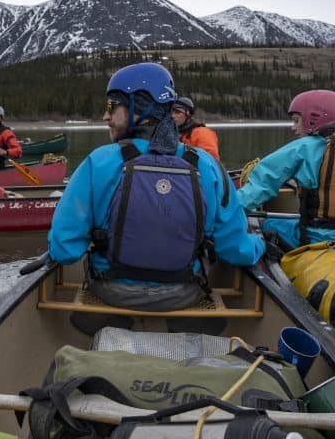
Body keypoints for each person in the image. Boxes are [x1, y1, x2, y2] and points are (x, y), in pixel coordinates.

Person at [48, 62, 265, 334]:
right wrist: (260, 244)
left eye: (111, 107)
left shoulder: (97, 162)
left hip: (110, 291)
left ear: (139, 107)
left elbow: (64, 251)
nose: (106, 117)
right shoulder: (207, 166)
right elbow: (235, 250)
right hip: (184, 293)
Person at [237, 89, 335, 252]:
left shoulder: (303, 147)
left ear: (313, 118)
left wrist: (228, 211)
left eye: (296, 120)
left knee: (266, 224)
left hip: (319, 237)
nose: (293, 127)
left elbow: (261, 186)